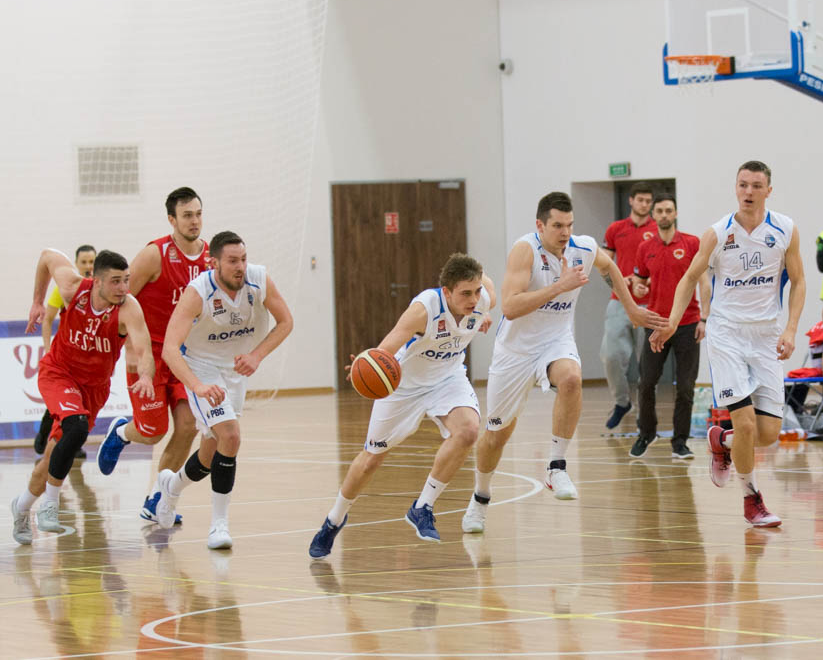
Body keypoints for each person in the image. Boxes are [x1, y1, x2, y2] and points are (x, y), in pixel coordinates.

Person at [461, 191, 665, 533]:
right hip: (515, 352)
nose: (565, 232)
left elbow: (610, 266)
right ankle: (480, 498)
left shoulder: (582, 247)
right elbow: (509, 307)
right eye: (557, 225)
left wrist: (630, 308)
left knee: (571, 378)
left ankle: (556, 467)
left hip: (555, 341)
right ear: (540, 225)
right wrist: (559, 286)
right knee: (496, 434)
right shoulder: (525, 250)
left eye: (569, 224)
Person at [308, 254, 496, 557]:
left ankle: (422, 507)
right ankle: (333, 520)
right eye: (465, 294)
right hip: (403, 386)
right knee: (371, 459)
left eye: (476, 292)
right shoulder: (424, 310)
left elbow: (486, 291)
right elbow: (389, 346)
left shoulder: (483, 297)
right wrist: (368, 364)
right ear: (446, 292)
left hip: (447, 378)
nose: (474, 299)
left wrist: (481, 314)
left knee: (469, 431)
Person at [651, 161, 806, 528]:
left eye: (756, 185)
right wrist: (674, 322)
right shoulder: (718, 233)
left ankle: (721, 440)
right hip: (727, 336)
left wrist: (791, 330)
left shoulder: (785, 229)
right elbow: (690, 278)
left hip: (767, 336)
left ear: (769, 190)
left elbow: (798, 281)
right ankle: (752, 500)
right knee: (748, 425)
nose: (748, 192)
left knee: (768, 434)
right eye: (742, 185)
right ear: (735, 188)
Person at [155, 231, 293, 549]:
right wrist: (198, 387)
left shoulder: (259, 280)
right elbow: (170, 350)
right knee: (231, 436)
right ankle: (219, 526)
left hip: (235, 371)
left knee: (211, 451)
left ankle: (172, 487)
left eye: (243, 259)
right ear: (213, 262)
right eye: (232, 261)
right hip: (203, 370)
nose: (240, 267)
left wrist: (257, 355)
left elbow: (286, 322)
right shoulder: (198, 292)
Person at [11, 249, 155, 545]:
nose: (123, 289)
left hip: (93, 389)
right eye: (115, 282)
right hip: (59, 373)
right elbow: (47, 256)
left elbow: (144, 350)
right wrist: (38, 301)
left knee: (53, 455)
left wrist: (145, 376)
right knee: (76, 427)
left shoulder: (129, 307)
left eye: (126, 280)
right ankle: (51, 505)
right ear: (97, 281)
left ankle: (22, 506)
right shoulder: (73, 288)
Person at [96, 187, 212, 525]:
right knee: (153, 432)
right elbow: (120, 298)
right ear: (171, 219)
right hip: (149, 355)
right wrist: (125, 344)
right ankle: (121, 432)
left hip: (186, 358)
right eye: (187, 215)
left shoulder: (209, 259)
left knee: (190, 425)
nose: (194, 220)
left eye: (198, 213)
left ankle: (157, 498)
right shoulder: (154, 254)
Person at [629, 193, 710, 459]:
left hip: (687, 324)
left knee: (686, 387)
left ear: (675, 214)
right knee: (646, 383)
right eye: (659, 211)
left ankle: (680, 442)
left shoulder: (691, 243)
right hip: (655, 324)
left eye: (668, 210)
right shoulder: (645, 248)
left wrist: (704, 318)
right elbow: (640, 285)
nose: (664, 215)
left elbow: (704, 282)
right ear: (653, 216)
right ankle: (646, 433)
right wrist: (638, 289)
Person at [600, 182, 657, 429]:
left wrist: (648, 281)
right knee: (610, 356)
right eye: (640, 200)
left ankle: (646, 415)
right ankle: (622, 403)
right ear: (631, 201)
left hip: (650, 305)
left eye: (648, 200)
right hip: (619, 303)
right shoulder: (615, 229)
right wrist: (617, 281)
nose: (645, 204)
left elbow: (664, 267)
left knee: (648, 364)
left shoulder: (657, 230)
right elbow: (603, 264)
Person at [34, 244, 97, 457]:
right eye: (84, 262)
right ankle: (44, 437)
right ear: (76, 264)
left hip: (89, 357)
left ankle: (73, 444)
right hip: (66, 355)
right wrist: (47, 348)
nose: (88, 266)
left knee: (81, 403)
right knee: (64, 401)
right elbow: (48, 319)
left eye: (91, 262)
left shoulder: (102, 290)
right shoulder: (67, 287)